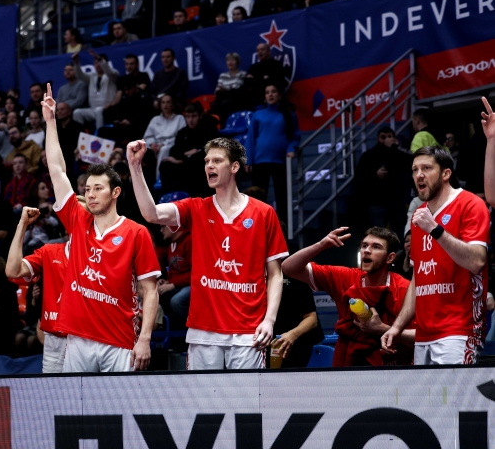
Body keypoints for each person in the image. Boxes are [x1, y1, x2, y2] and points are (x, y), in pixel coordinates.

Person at [129, 136, 288, 369]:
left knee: (247, 394)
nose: (209, 166)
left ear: (234, 167)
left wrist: (270, 320)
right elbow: (151, 214)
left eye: (217, 160)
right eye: (206, 161)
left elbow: (275, 274)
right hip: (203, 331)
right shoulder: (196, 208)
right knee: (202, 394)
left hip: (248, 331)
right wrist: (135, 166)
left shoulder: (264, 213)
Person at [42, 83, 161, 372]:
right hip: (78, 339)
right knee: (76, 402)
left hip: (120, 340)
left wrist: (145, 339)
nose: (91, 194)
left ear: (116, 192)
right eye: (88, 189)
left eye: (98, 188)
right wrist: (50, 122)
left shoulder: (136, 232)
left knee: (119, 402)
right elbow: (57, 170)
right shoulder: (77, 219)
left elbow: (150, 291)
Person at [383, 146, 490, 364]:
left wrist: (435, 229)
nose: (419, 175)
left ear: (446, 173)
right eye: (415, 170)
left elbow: (477, 261)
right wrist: (397, 326)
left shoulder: (471, 204)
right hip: (423, 335)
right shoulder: (419, 215)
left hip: (460, 331)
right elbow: (418, 279)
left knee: (454, 389)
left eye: (426, 168)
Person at [282, 226, 414, 366]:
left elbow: (419, 337)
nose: (367, 250)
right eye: (364, 246)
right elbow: (288, 267)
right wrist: (321, 245)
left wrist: (381, 329)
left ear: (390, 257)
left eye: (376, 247)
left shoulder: (405, 289)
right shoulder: (345, 277)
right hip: (348, 365)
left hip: (392, 368)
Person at [7, 202, 84, 372]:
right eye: (75, 216)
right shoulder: (49, 252)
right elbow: (13, 270)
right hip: (55, 340)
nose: (80, 220)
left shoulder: (104, 255)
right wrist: (23, 225)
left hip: (89, 340)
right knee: (55, 389)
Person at [246, 83, 300, 224]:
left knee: (282, 198)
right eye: (267, 92)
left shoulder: (289, 115)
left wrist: (291, 149)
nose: (270, 94)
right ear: (264, 97)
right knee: (258, 198)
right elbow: (250, 139)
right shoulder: (258, 115)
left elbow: (295, 136)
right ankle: (258, 226)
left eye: (274, 91)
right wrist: (248, 160)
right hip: (259, 162)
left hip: (280, 161)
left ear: (280, 95)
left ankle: (283, 227)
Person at [351, 127, 412, 238]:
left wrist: (395, 147)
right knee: (380, 236)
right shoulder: (369, 155)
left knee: (400, 235)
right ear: (378, 139)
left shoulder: (399, 153)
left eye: (389, 137)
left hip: (396, 202)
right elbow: (360, 178)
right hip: (377, 202)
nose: (386, 140)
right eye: (383, 137)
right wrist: (376, 175)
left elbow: (411, 162)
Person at [158, 103, 219, 196]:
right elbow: (175, 150)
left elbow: (211, 150)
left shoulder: (209, 129)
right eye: (188, 116)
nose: (190, 120)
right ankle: (171, 197)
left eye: (194, 116)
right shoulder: (182, 132)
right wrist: (183, 157)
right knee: (165, 164)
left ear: (200, 116)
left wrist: (188, 155)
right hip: (184, 163)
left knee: (195, 161)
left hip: (200, 164)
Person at [72, 51, 119, 129]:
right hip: (93, 110)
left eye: (99, 62)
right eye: (96, 63)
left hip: (108, 109)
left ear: (105, 63)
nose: (98, 65)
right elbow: (79, 76)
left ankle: (99, 135)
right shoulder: (91, 76)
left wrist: (101, 60)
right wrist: (76, 63)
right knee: (77, 112)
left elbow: (109, 72)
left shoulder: (112, 75)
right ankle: (80, 135)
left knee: (98, 110)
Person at [143, 94, 186, 177]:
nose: (165, 105)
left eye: (168, 102)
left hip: (171, 145)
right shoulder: (155, 119)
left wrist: (163, 144)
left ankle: (159, 178)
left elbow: (180, 137)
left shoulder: (179, 118)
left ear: (173, 104)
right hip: (155, 147)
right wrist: (152, 144)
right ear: (160, 105)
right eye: (163, 102)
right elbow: (148, 136)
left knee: (164, 149)